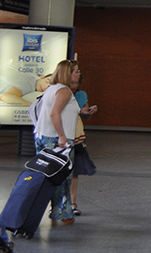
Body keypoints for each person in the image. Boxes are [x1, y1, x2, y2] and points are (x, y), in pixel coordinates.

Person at [33, 59, 95, 225]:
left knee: (47, 176)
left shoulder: (53, 89)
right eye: (76, 70)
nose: (79, 73)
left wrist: (82, 111)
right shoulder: (64, 91)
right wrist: (61, 136)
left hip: (43, 136)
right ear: (68, 73)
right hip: (56, 139)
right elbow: (54, 114)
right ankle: (63, 212)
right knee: (63, 177)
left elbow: (52, 110)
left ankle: (53, 211)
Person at [69, 77, 98, 216]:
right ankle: (56, 203)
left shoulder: (81, 95)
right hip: (63, 135)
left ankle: (73, 202)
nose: (74, 86)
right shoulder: (61, 93)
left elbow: (85, 116)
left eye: (77, 83)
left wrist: (90, 111)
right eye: (72, 83)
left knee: (75, 171)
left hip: (77, 135)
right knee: (59, 172)